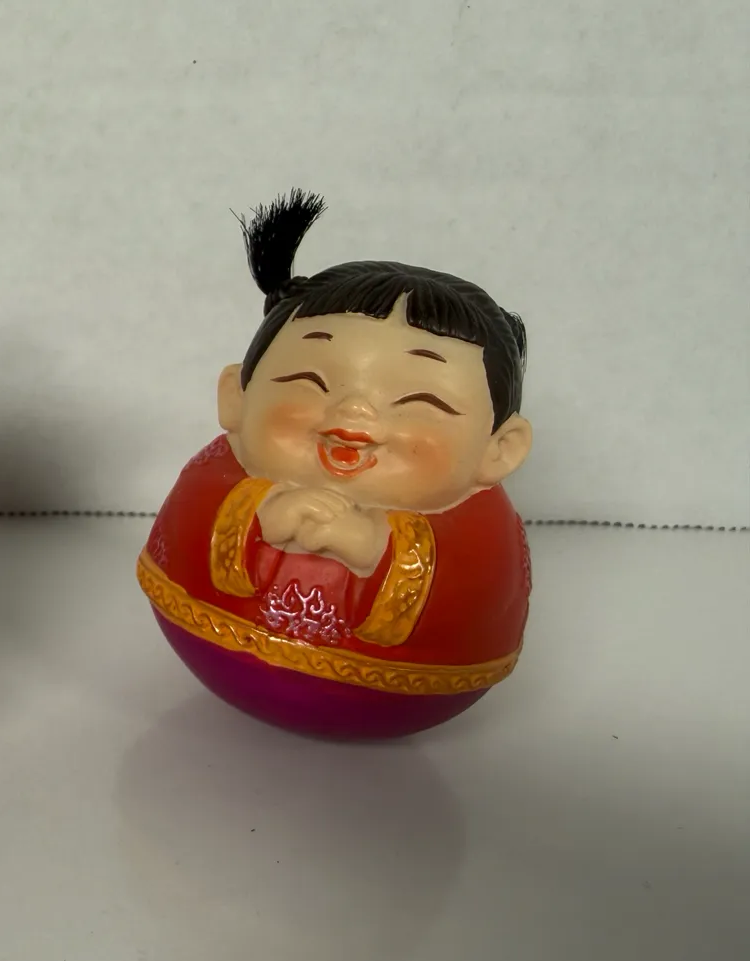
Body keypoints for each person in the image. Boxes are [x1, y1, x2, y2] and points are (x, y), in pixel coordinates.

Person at [140, 190, 533, 738]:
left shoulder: (482, 523)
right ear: (237, 398)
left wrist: (384, 550)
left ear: (499, 450)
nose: (353, 414)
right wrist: (255, 514)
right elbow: (192, 518)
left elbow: (478, 584)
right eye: (311, 381)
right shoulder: (219, 470)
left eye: (420, 401)